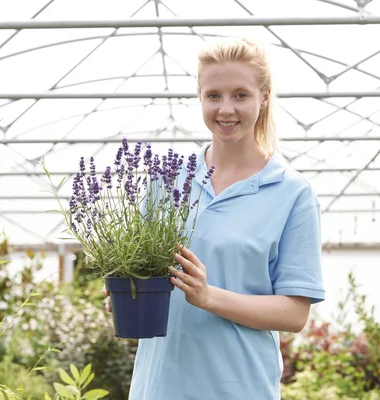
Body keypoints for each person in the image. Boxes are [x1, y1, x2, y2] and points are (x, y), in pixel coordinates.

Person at [105, 36, 325, 400]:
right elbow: (146, 275)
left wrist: (209, 297)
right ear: (200, 96)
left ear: (264, 96)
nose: (226, 109)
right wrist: (127, 290)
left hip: (240, 388)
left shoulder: (291, 194)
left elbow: (294, 314)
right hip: (159, 387)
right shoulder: (166, 182)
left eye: (240, 95)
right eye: (214, 96)